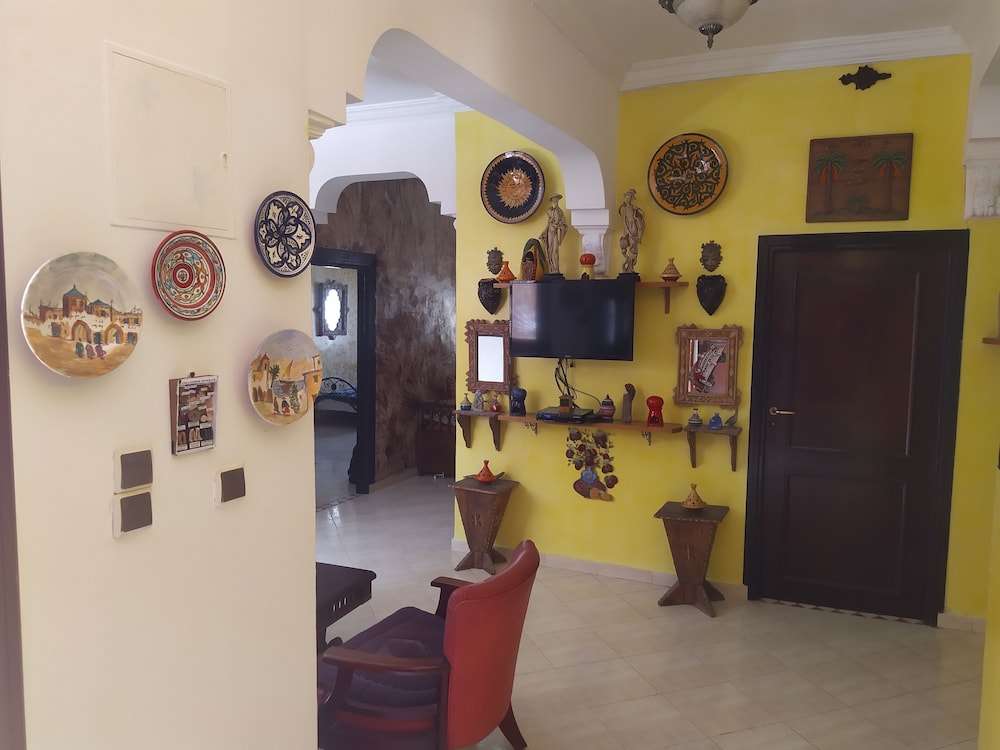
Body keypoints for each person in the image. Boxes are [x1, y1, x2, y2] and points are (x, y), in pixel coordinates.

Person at [539, 194, 566, 275]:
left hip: (555, 234)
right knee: (550, 251)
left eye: (556, 200)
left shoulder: (560, 212)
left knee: (555, 250)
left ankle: (556, 268)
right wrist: (544, 232)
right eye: (554, 200)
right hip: (550, 233)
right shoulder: (550, 211)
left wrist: (558, 226)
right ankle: (552, 268)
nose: (555, 201)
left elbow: (564, 225)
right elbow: (548, 224)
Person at [619, 188, 644, 274]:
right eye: (626, 197)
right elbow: (624, 220)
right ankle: (627, 263)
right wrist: (627, 230)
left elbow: (642, 215)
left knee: (633, 246)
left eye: (629, 198)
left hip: (633, 227)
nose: (627, 199)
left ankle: (631, 267)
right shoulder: (624, 208)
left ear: (631, 199)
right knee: (625, 243)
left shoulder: (633, 208)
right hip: (627, 228)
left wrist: (637, 217)